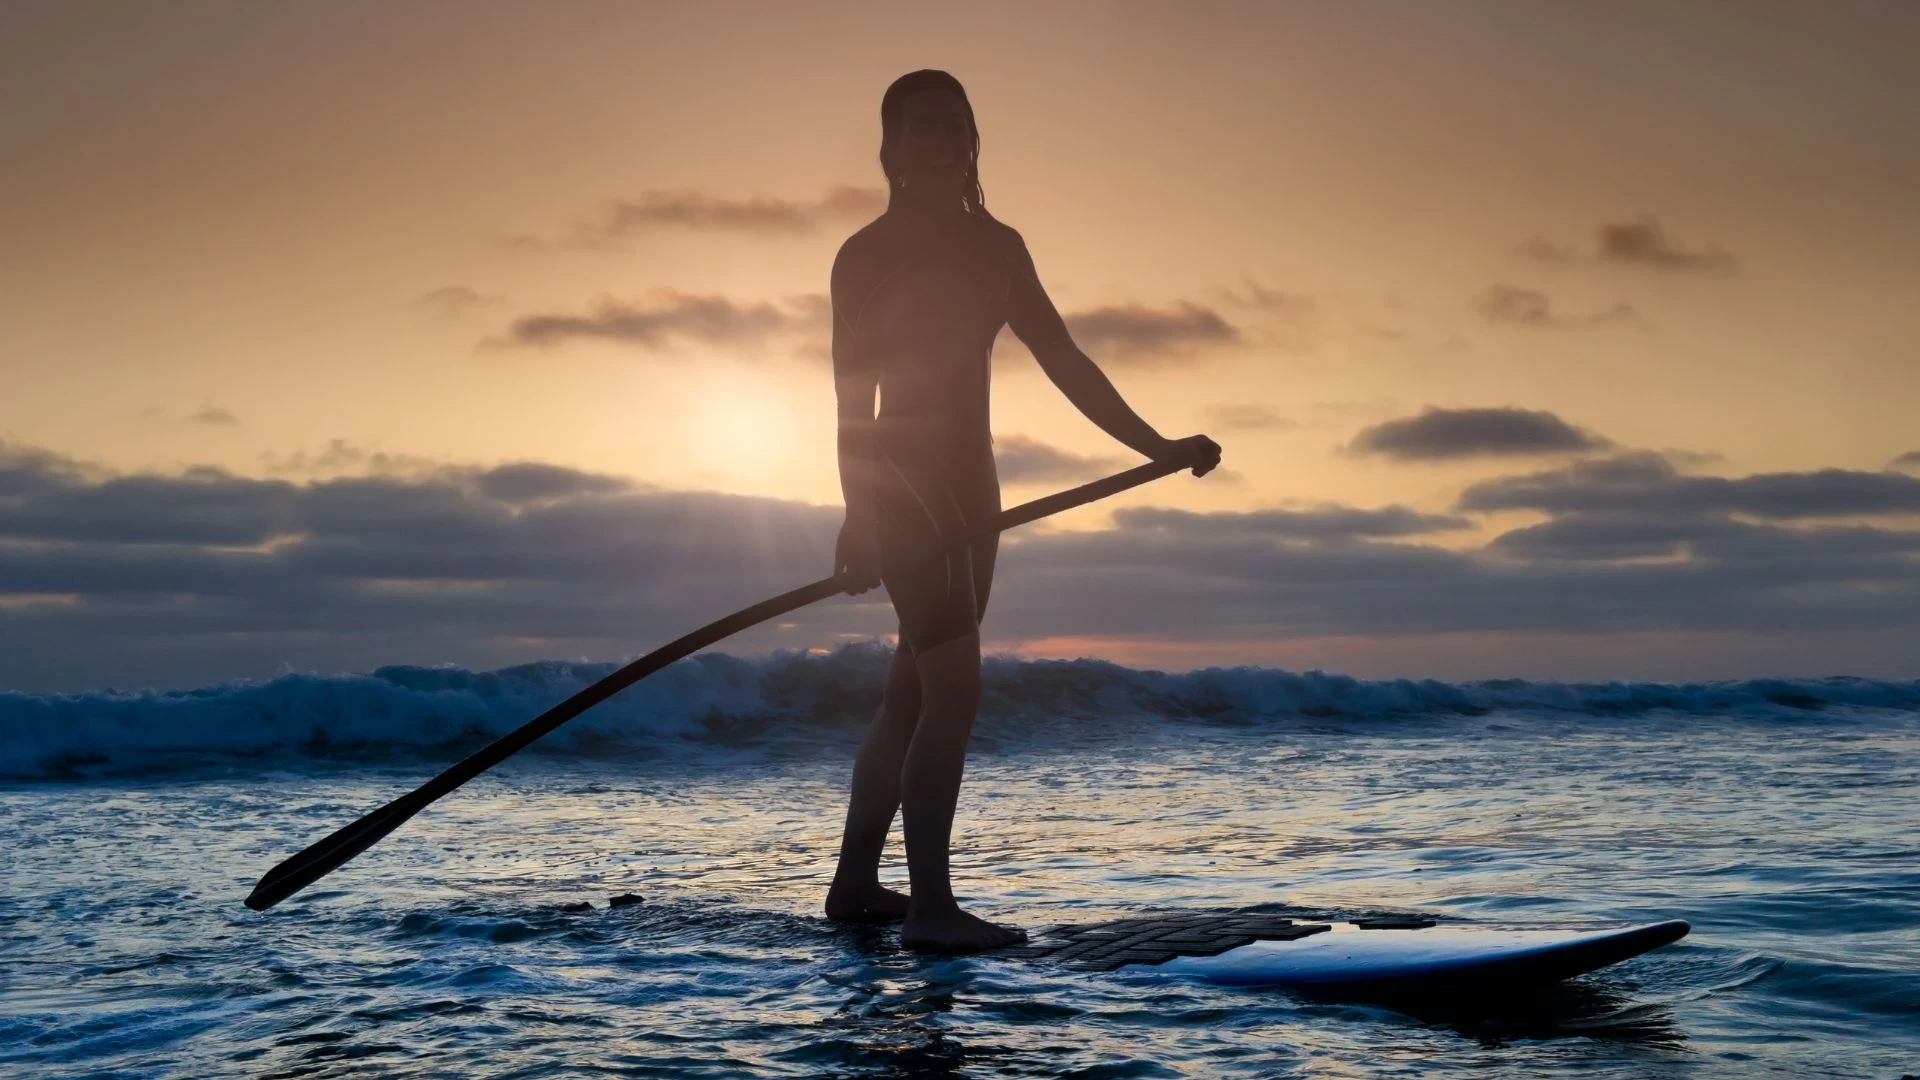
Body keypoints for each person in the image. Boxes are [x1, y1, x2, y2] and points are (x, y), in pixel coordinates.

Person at [823, 69, 1222, 953]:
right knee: (954, 690)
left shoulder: (999, 247)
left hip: (975, 480)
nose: (944, 144)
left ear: (973, 144)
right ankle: (931, 911)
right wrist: (859, 516)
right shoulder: (865, 254)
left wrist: (1153, 447)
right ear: (889, 150)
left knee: (913, 688)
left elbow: (1065, 358)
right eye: (922, 130)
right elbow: (851, 396)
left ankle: (855, 886)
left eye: (958, 129)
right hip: (898, 479)